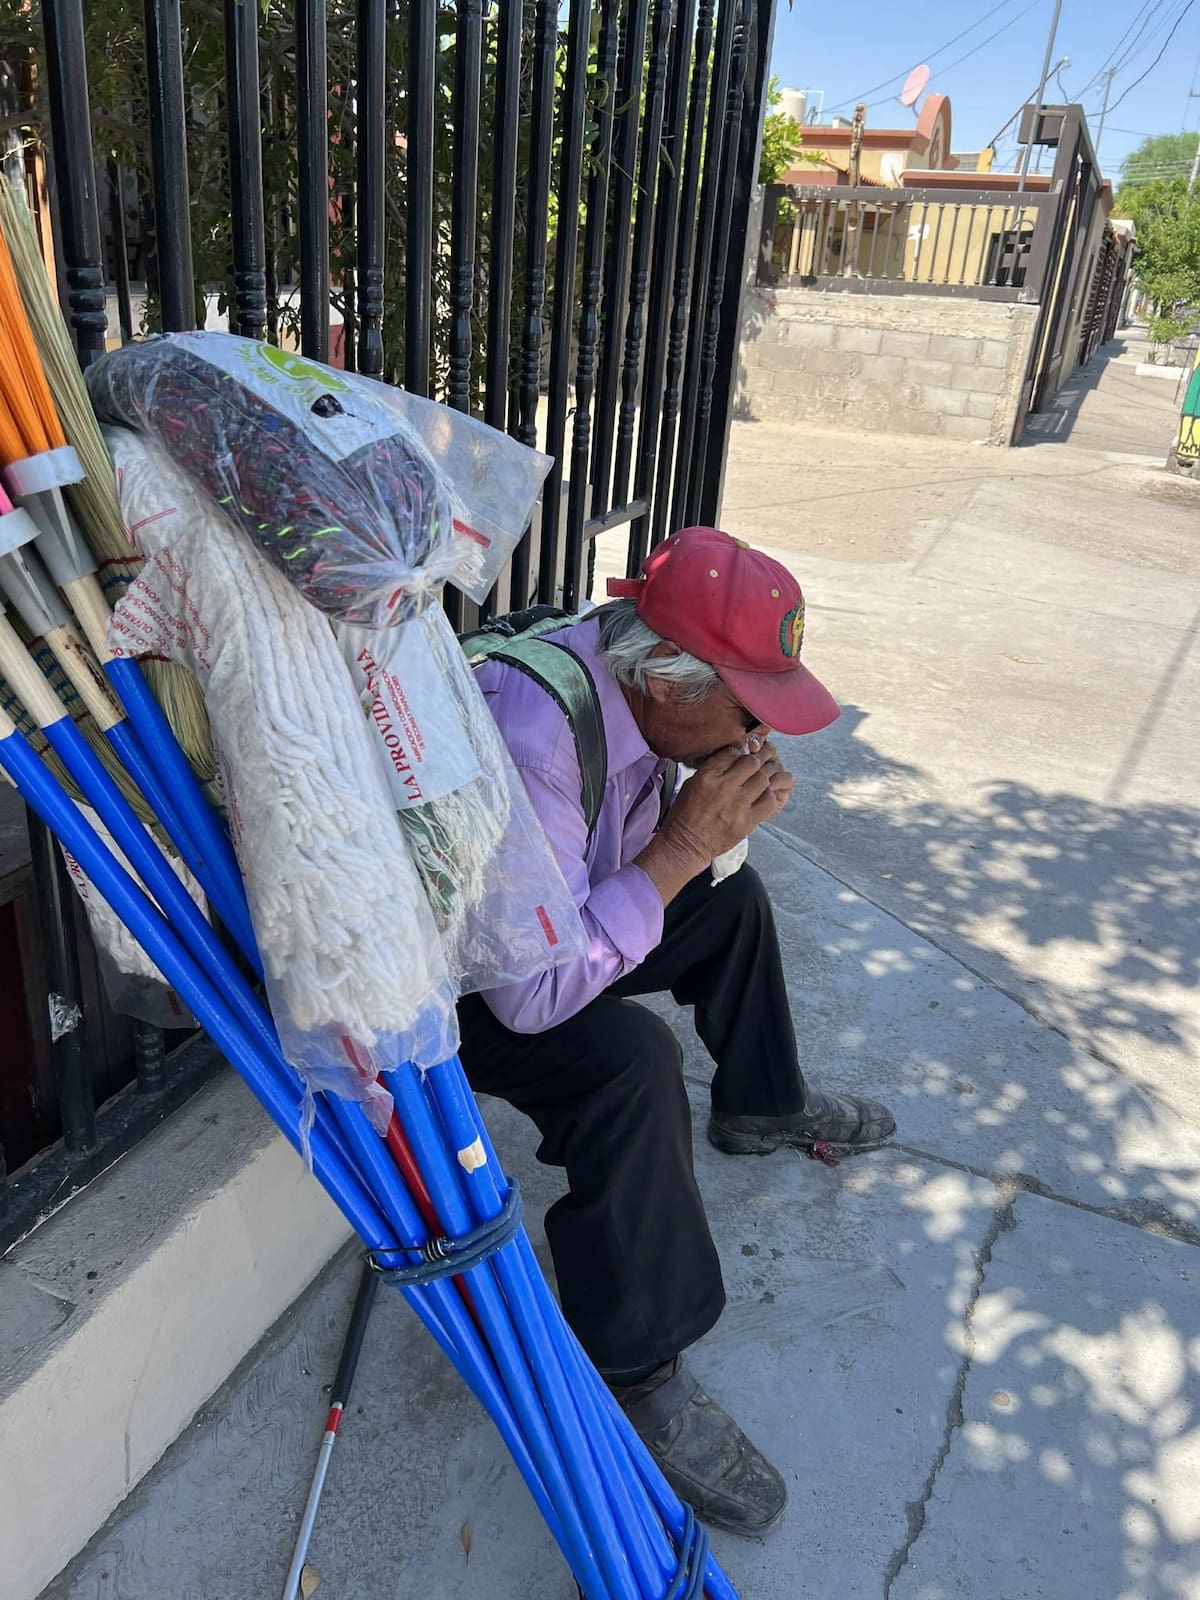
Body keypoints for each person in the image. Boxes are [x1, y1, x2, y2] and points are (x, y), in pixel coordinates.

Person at [460, 526, 895, 1536]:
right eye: (750, 710)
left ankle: (763, 1103)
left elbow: (616, 892)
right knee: (631, 1064)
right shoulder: (534, 728)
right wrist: (686, 842)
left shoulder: (638, 693)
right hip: (467, 989)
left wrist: (695, 851)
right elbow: (530, 995)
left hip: (557, 925)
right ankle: (637, 1365)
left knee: (728, 905)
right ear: (672, 682)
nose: (761, 736)